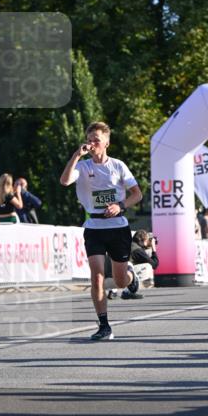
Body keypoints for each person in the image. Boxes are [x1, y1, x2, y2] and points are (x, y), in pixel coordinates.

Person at [60, 121, 142, 340]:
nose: (92, 143)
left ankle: (130, 276)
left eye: (96, 139)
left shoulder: (118, 166)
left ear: (107, 142)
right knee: (96, 277)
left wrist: (120, 206)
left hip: (118, 227)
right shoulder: (83, 166)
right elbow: (65, 181)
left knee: (120, 280)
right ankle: (104, 326)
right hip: (94, 227)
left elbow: (137, 194)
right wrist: (76, 156)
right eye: (89, 139)